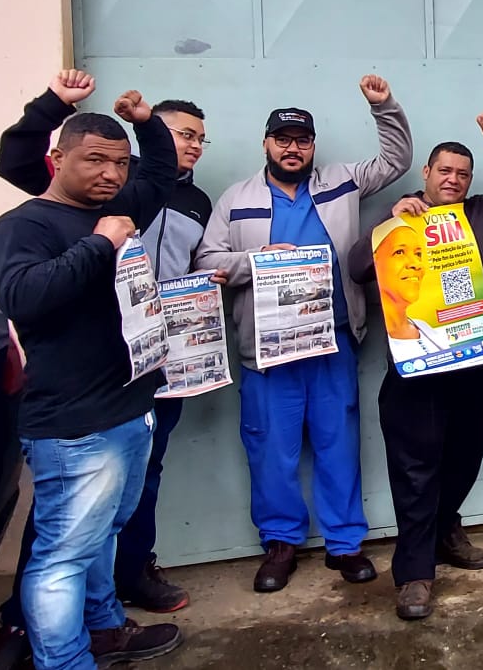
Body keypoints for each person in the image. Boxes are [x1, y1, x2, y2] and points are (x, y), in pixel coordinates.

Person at [0, 71, 213, 670]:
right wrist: (101, 244)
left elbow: (157, 171)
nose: (111, 174)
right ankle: (63, 660)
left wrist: (147, 124)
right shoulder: (22, 226)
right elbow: (25, 297)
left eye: (118, 163)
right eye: (95, 160)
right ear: (57, 159)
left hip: (131, 407)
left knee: (103, 535)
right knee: (62, 556)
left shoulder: (120, 205)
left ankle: (105, 628)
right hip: (75, 423)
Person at [195, 77, 412, 593]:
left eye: (302, 140)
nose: (292, 148)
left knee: (339, 444)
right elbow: (207, 261)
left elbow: (397, 160)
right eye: (283, 140)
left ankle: (345, 543)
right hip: (268, 351)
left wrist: (384, 106)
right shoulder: (237, 198)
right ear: (266, 144)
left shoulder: (342, 180)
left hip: (333, 342)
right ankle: (281, 542)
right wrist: (257, 261)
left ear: (313, 146)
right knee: (272, 448)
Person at [349, 112, 483, 621]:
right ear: (426, 173)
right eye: (444, 171)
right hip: (415, 368)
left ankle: (446, 530)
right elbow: (358, 267)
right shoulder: (401, 213)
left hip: (471, 360)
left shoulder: (478, 213)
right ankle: (415, 573)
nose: (453, 180)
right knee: (415, 469)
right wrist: (391, 223)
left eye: (462, 174)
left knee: (464, 456)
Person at [372, 221, 450, 361]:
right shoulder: (378, 340)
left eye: (418, 254)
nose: (416, 264)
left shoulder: (425, 327)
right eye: (399, 252)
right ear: (375, 260)